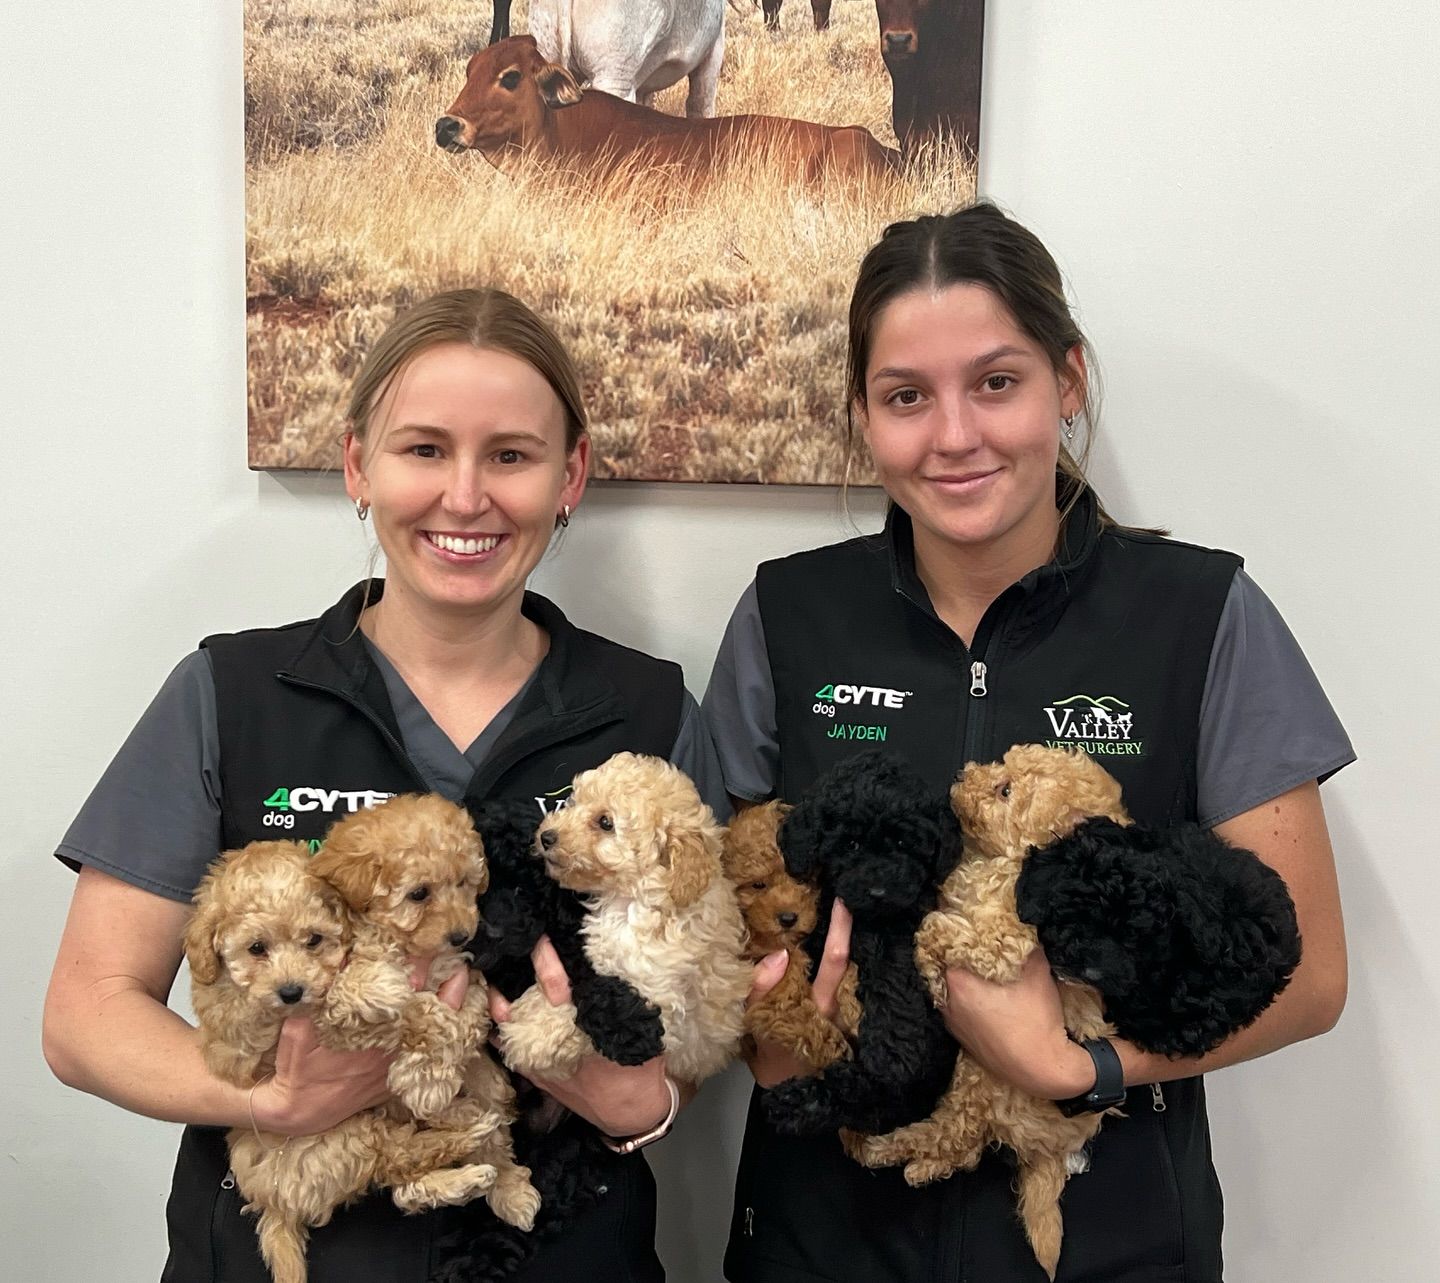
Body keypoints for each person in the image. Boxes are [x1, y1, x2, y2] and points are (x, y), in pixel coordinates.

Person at [703, 203, 1351, 1282]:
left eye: (996, 382)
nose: (955, 435)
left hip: (1112, 1242)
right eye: (906, 396)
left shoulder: (1201, 613)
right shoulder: (785, 615)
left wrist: (1078, 1061)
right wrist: (763, 1032)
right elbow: (712, 917)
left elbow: (1310, 975)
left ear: (1070, 380)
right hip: (829, 1237)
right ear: (864, 414)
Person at [43, 287, 725, 1282]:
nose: (465, 495)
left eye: (510, 454)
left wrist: (650, 1103)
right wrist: (271, 1097)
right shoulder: (232, 694)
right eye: (423, 449)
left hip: (562, 1248)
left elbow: (684, 1011)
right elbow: (84, 1012)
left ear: (569, 473)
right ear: (359, 463)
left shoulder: (648, 713)